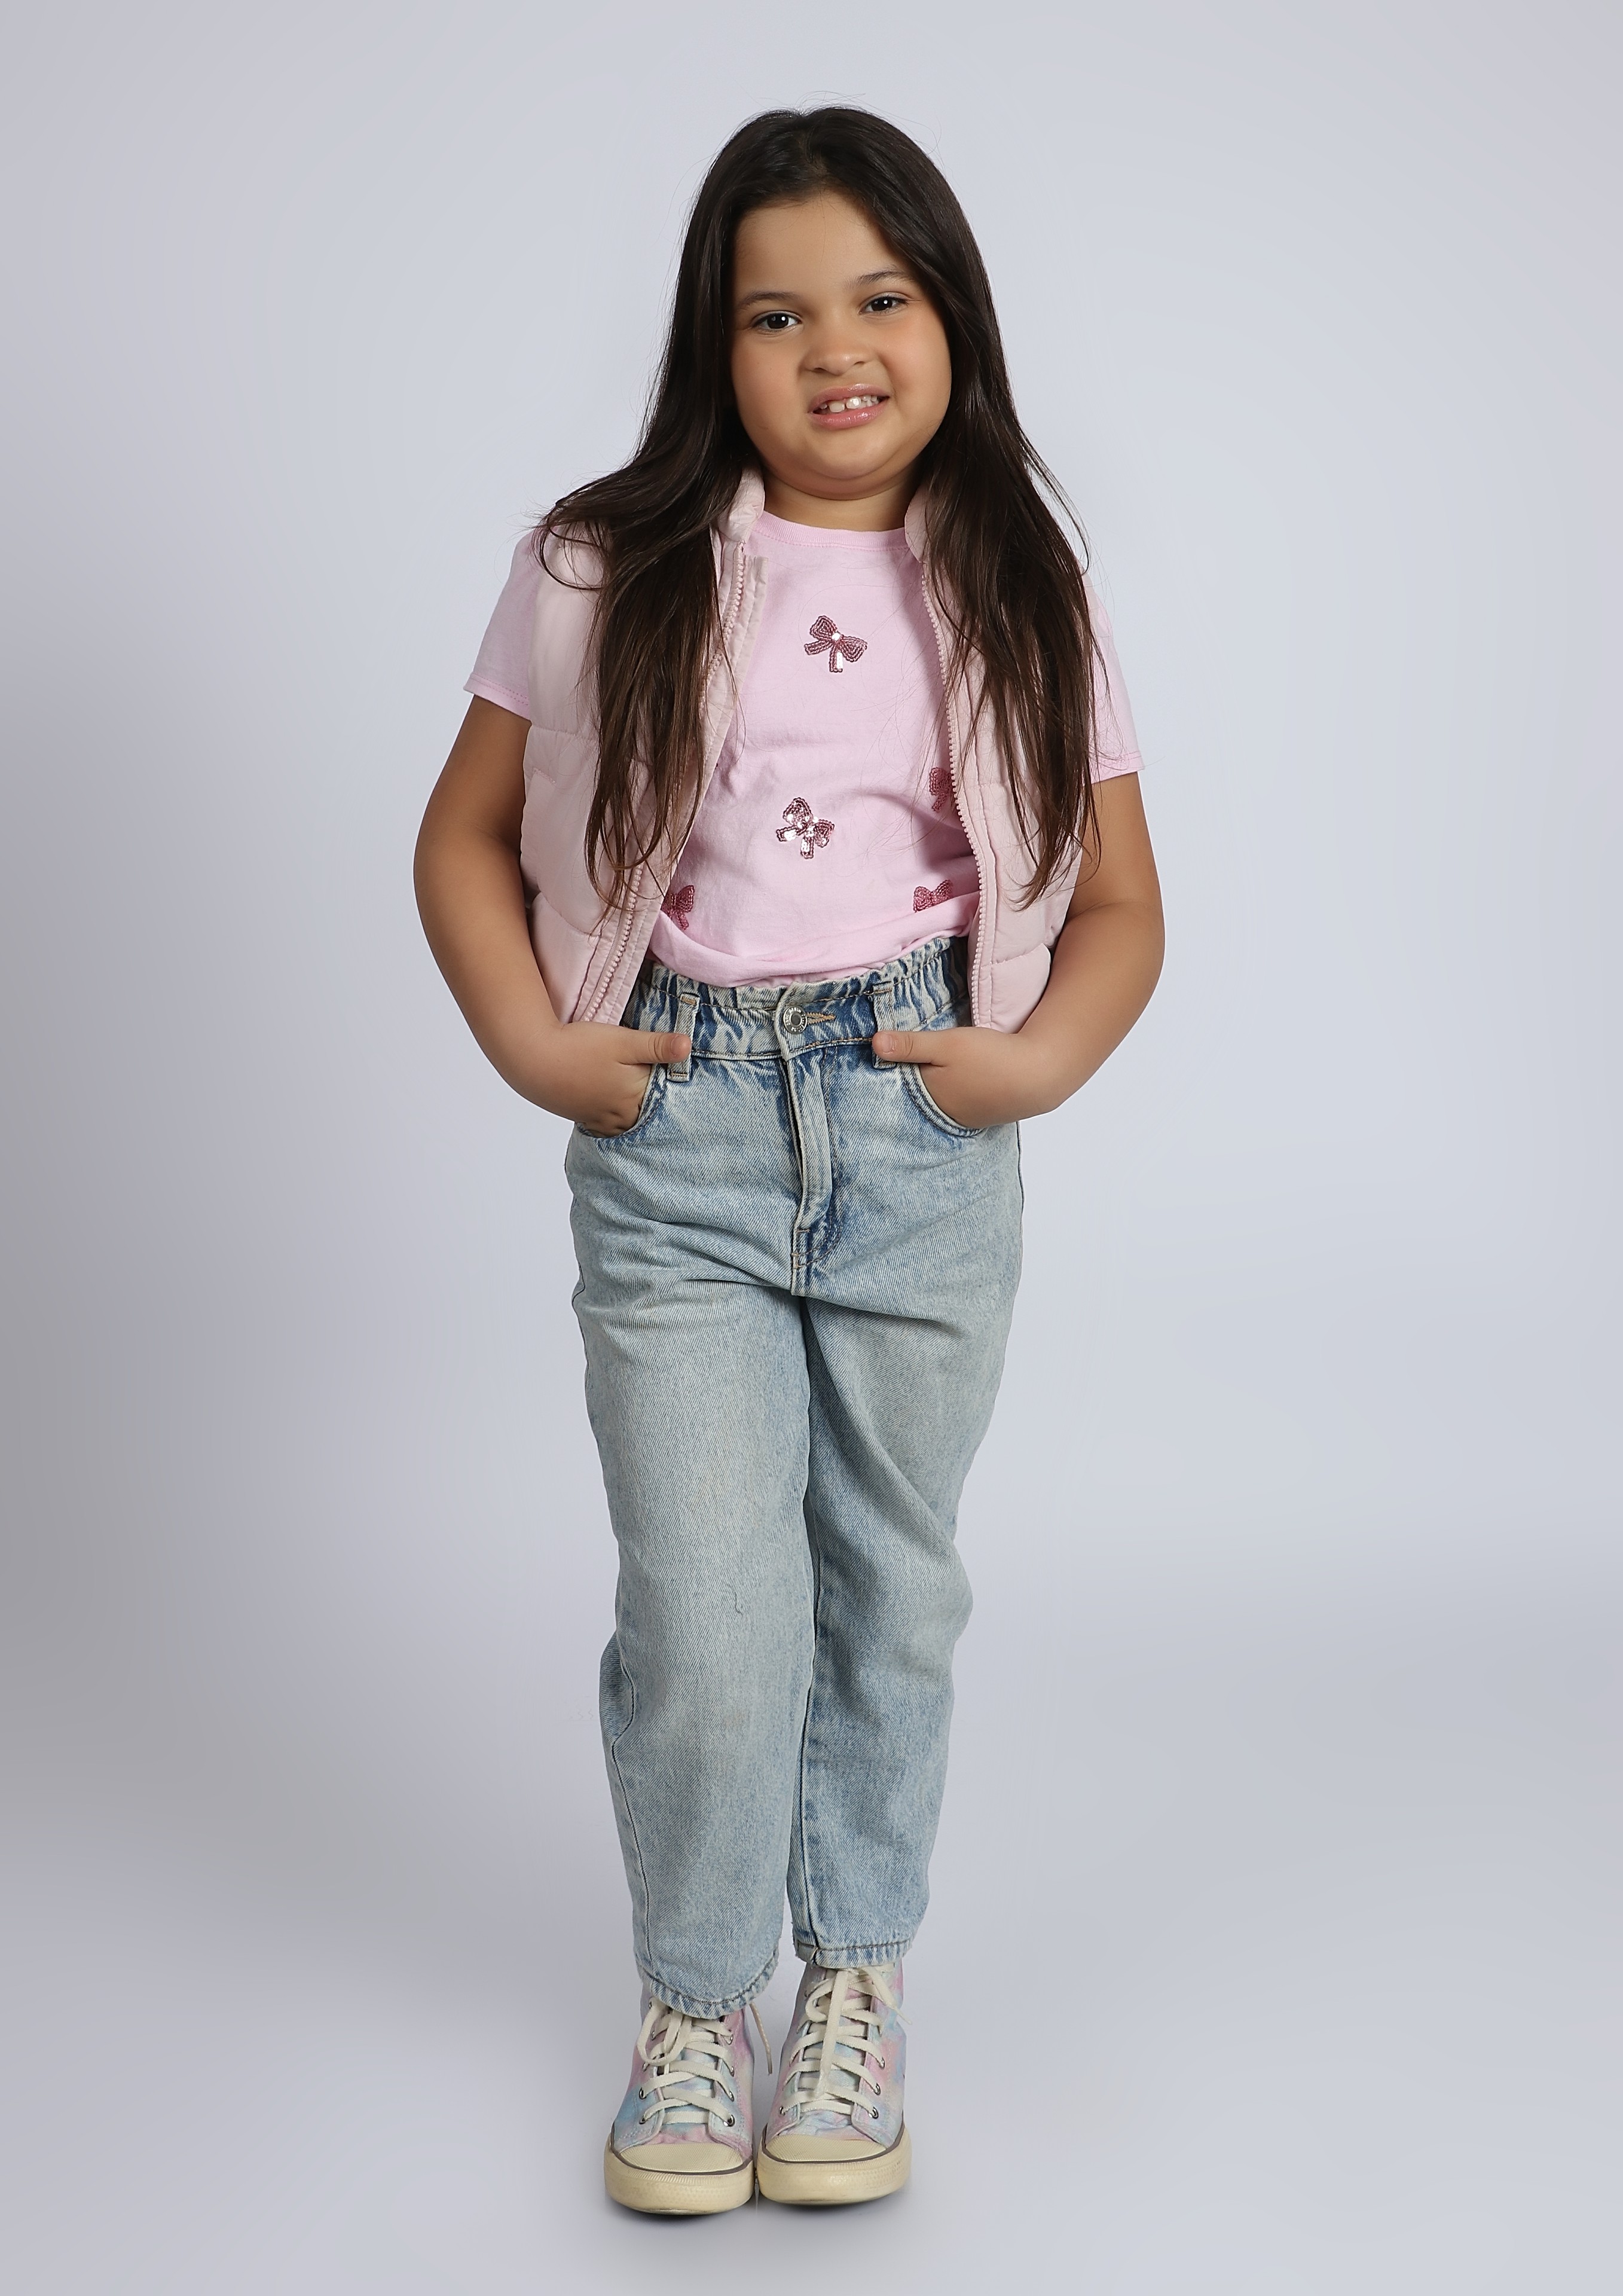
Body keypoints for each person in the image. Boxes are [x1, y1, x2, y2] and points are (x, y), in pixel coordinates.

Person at [414, 106, 1164, 2215]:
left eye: (879, 298)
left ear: (950, 320)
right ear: (712, 346)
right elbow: (460, 838)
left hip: (919, 1130)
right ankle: (693, 2000)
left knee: (890, 1589)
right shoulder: (597, 566)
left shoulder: (1021, 580)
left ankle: (852, 1982)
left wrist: (1026, 1071)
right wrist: (539, 1045)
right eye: (775, 313)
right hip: (682, 1131)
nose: (835, 347)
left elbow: (1123, 904)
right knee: (710, 1602)